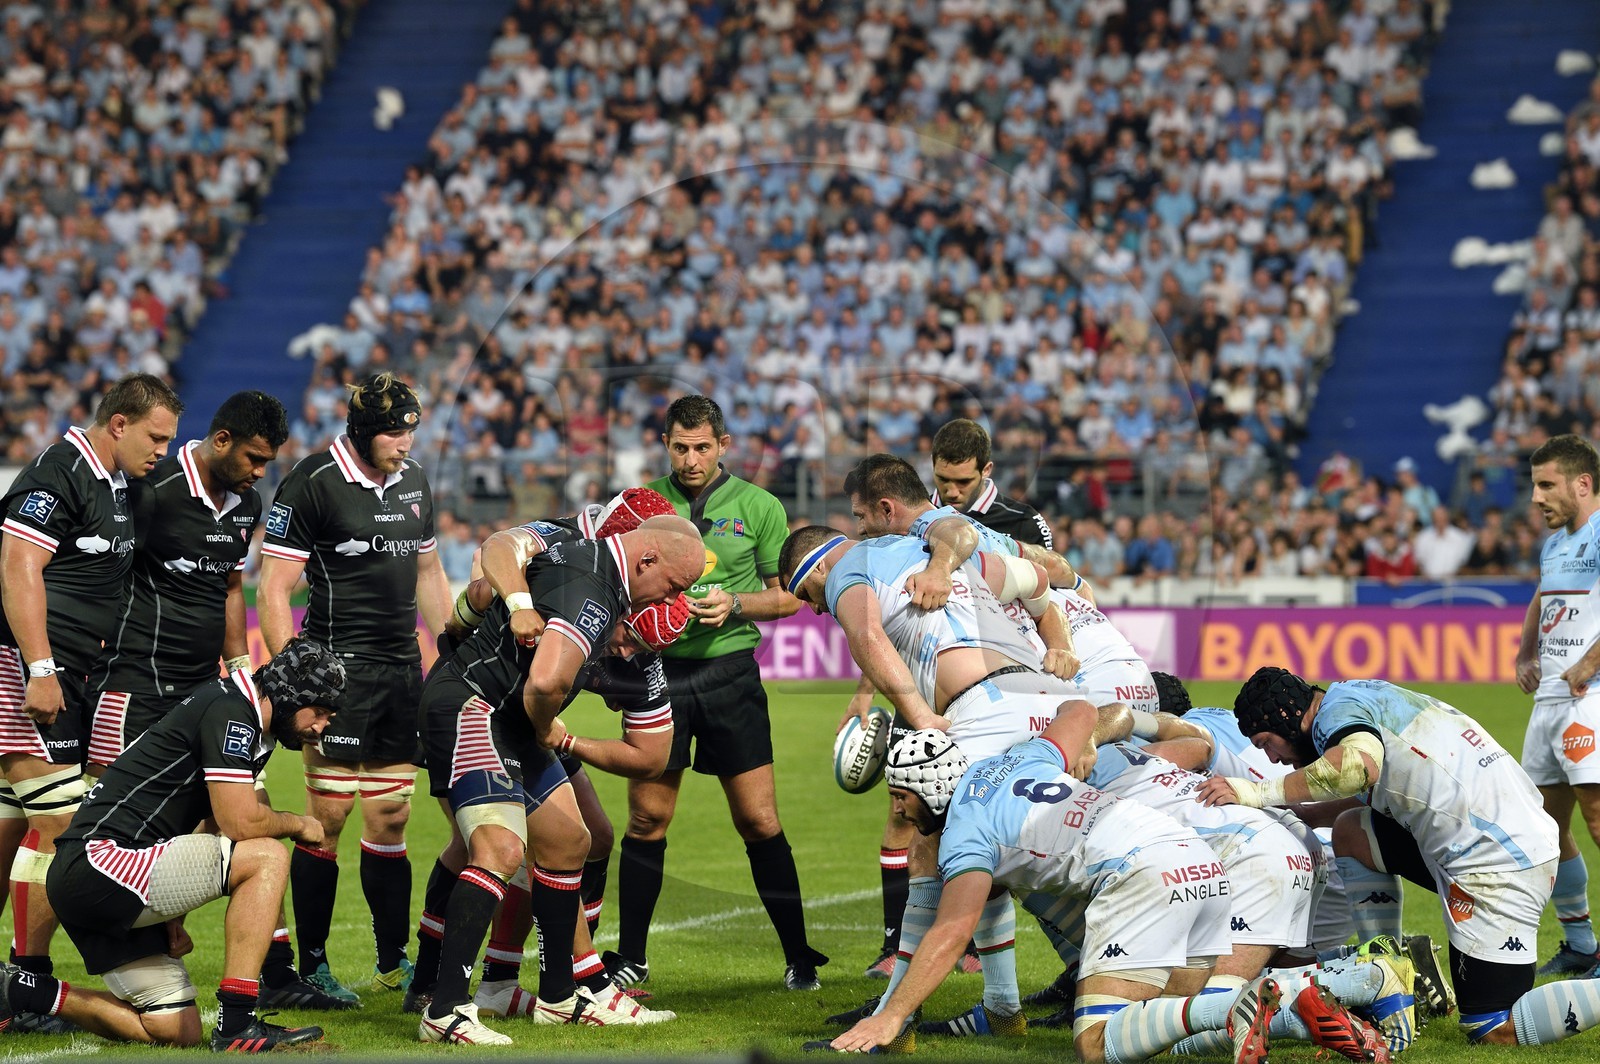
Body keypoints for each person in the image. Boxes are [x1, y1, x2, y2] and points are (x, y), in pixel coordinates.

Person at [817, 725, 1298, 1064]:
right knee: (1166, 1030)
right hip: (1200, 864)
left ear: (932, 789)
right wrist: (1085, 742)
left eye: (901, 796)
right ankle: (1317, 996)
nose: (899, 811)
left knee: (1094, 1043)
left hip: (1143, 874)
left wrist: (893, 1016)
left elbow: (951, 930)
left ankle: (1239, 1005)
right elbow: (1077, 711)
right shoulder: (1017, 758)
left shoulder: (966, 833)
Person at [781, 525, 1086, 1041]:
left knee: (930, 847)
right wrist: (1058, 646)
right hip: (1044, 705)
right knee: (1014, 850)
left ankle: (895, 1018)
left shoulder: (849, 568)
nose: (814, 607)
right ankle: (1008, 1005)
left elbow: (866, 637)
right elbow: (1039, 580)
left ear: (820, 567)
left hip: (986, 711)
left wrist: (919, 716)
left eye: (806, 592)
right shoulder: (947, 558)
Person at [83, 390, 337, 1010]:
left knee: (244, 810)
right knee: (86, 826)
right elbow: (108, 568)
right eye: (253, 458)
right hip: (135, 688)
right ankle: (28, 972)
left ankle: (272, 973)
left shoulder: (245, 503)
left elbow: (230, 587)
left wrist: (240, 663)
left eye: (267, 463)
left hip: (202, 689)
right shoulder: (153, 485)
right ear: (220, 440)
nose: (259, 474)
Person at [413, 515, 703, 1043]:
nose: (667, 597)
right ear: (646, 560)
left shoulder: (622, 609)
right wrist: (547, 723)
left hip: (513, 719)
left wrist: (563, 740)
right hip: (474, 706)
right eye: (673, 585)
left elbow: (652, 757)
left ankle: (560, 996)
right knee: (496, 848)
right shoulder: (592, 590)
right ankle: (445, 1007)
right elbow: (544, 681)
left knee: (572, 840)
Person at [1202, 668, 1600, 1049]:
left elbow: (1356, 768)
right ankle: (1388, 964)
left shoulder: (1334, 719)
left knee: (1492, 1026)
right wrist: (1305, 813)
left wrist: (1256, 792)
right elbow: (1378, 785)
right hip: (1491, 836)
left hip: (1497, 862)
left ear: (1289, 721)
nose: (1272, 758)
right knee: (1350, 832)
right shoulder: (1351, 696)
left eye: (1266, 743)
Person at [27, 637, 341, 1051]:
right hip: (101, 863)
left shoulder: (235, 711)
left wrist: (174, 911)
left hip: (101, 873)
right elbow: (240, 822)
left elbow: (208, 827)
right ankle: (237, 1025)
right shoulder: (231, 711)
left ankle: (25, 993)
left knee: (176, 1029)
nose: (322, 725)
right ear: (286, 694)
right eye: (318, 711)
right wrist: (300, 823)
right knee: (267, 855)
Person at [608, 395, 826, 993]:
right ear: (665, 444)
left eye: (702, 446)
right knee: (648, 816)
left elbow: (790, 595)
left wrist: (736, 604)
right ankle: (631, 959)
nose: (691, 458)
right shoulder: (639, 505)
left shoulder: (759, 505)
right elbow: (614, 581)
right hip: (658, 676)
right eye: (680, 446)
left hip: (730, 673)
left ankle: (799, 957)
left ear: (724, 446)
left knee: (758, 818)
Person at [257, 372, 453, 1003]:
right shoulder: (311, 483)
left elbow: (429, 570)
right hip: (335, 671)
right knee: (331, 814)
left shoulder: (416, 481)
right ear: (364, 434)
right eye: (395, 432)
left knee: (392, 815)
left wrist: (448, 648)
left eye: (410, 431)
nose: (405, 442)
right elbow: (275, 586)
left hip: (400, 671)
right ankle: (312, 964)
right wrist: (293, 676)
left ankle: (393, 959)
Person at [0, 373, 182, 1017]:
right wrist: (41, 667)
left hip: (72, 678)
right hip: (25, 673)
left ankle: (15, 980)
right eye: (155, 438)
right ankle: (29, 978)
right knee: (65, 828)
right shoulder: (60, 470)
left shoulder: (118, 486)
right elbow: (18, 563)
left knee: (14, 828)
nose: (161, 450)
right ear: (119, 424)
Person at [1514, 434, 1600, 977]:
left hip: (1588, 699)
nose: (1537, 498)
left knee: (1597, 817)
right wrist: (1526, 651)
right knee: (1546, 827)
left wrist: (1590, 663)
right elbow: (1542, 597)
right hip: (1550, 699)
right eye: (1535, 486)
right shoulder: (1555, 545)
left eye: (1548, 485)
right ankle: (1582, 943)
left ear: (1583, 484)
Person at [929, 419, 1054, 548]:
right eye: (943, 479)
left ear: (986, 470)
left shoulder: (1025, 523)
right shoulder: (912, 517)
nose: (952, 492)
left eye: (963, 482)